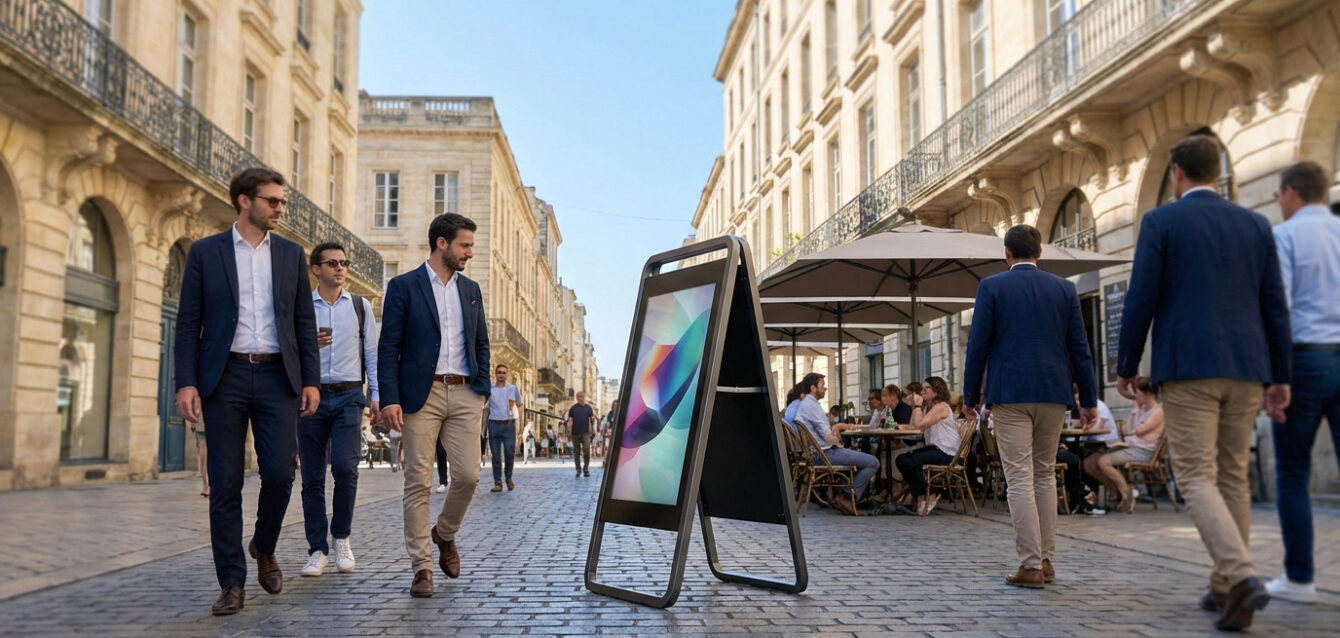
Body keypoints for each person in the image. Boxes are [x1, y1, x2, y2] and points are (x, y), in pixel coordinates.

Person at [1117, 135, 1291, 631]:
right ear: (1219, 170)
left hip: (1190, 365)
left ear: (1176, 174)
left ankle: (1240, 576)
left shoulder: (1162, 221)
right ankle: (1224, 588)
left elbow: (1141, 296)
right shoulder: (1255, 223)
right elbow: (1274, 305)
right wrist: (1280, 376)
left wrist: (1127, 364)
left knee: (1195, 476)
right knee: (1231, 476)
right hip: (1248, 367)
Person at [174, 167, 321, 615]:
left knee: (279, 474)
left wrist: (310, 379)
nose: (280, 208)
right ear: (244, 200)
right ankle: (232, 583)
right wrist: (186, 382)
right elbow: (187, 323)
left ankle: (264, 544)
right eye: (272, 201)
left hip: (278, 378)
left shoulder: (292, 255)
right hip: (225, 377)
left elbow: (303, 323)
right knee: (225, 484)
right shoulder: (206, 252)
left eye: (282, 201)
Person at [962, 223, 1099, 590]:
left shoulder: (991, 286)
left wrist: (969, 396)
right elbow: (1080, 349)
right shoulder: (1064, 289)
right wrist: (1087, 400)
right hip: (1054, 393)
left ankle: (1030, 564)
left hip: (1010, 392)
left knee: (1019, 476)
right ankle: (1046, 559)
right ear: (1040, 253)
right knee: (1043, 474)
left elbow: (977, 346)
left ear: (1007, 253)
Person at [378, 213, 492, 599]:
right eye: (464, 245)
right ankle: (422, 567)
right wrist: (389, 397)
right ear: (441, 244)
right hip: (419, 394)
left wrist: (483, 388)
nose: (469, 253)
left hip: (464, 392)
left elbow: (481, 343)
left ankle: (444, 534)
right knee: (418, 481)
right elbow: (388, 346)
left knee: (468, 476)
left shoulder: (472, 289)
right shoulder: (403, 286)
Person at [1266, 161, 1340, 604]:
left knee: (1293, 472)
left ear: (1291, 192)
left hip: (1306, 359)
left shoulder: (1287, 236)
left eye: (1279, 196)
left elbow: (1281, 309)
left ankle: (1300, 577)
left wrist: (1275, 378)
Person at [297, 242, 381, 577]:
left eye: (344, 262)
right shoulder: (302, 307)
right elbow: (287, 348)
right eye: (332, 263)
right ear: (316, 268)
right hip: (311, 396)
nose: (340, 268)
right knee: (313, 476)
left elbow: (372, 356)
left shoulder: (360, 307)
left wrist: (376, 394)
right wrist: (306, 344)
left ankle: (341, 538)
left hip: (349, 395)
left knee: (346, 468)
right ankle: (317, 549)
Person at [791, 372, 879, 515]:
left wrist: (835, 432)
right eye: (822, 385)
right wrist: (838, 441)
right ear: (813, 388)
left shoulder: (806, 404)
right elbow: (828, 438)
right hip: (825, 454)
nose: (824, 388)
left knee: (860, 457)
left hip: (815, 454)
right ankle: (846, 497)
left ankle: (847, 495)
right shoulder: (813, 407)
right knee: (873, 462)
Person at [1081, 377, 1162, 514]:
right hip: (1131, 447)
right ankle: (1116, 493)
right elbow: (1126, 430)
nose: (1136, 398)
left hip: (1144, 451)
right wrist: (1135, 412)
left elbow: (1138, 430)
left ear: (1148, 393)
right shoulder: (1142, 410)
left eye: (1138, 394)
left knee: (1103, 462)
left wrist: (1135, 414)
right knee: (1089, 463)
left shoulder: (1158, 411)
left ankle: (1126, 496)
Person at [894, 377, 965, 516]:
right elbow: (918, 425)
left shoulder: (941, 407)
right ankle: (922, 495)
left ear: (936, 392)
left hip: (947, 453)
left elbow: (919, 424)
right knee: (902, 459)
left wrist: (918, 406)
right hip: (936, 449)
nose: (922, 391)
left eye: (926, 388)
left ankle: (927, 494)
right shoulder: (931, 407)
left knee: (906, 460)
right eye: (923, 388)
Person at [487, 364, 523, 492]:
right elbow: (485, 405)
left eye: (503, 373)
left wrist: (511, 411)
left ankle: (508, 477)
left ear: (506, 375)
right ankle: (498, 482)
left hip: (509, 425)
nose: (501, 375)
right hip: (494, 424)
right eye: (499, 373)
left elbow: (519, 403)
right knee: (496, 455)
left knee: (509, 453)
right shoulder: (489, 388)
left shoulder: (513, 388)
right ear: (495, 374)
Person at [567, 392, 597, 477]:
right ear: (576, 398)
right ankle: (578, 469)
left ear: (584, 397)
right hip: (575, 433)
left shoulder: (588, 408)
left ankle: (586, 468)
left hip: (586, 433)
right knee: (576, 452)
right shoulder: (573, 408)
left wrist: (593, 430)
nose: (581, 398)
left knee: (587, 451)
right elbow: (570, 421)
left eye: (582, 396)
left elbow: (591, 420)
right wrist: (569, 432)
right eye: (579, 397)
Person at [190, 419, 209, 497]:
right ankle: (207, 486)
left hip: (203, 425)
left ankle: (206, 487)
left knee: (204, 460)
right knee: (204, 460)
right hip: (204, 426)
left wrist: (192, 423)